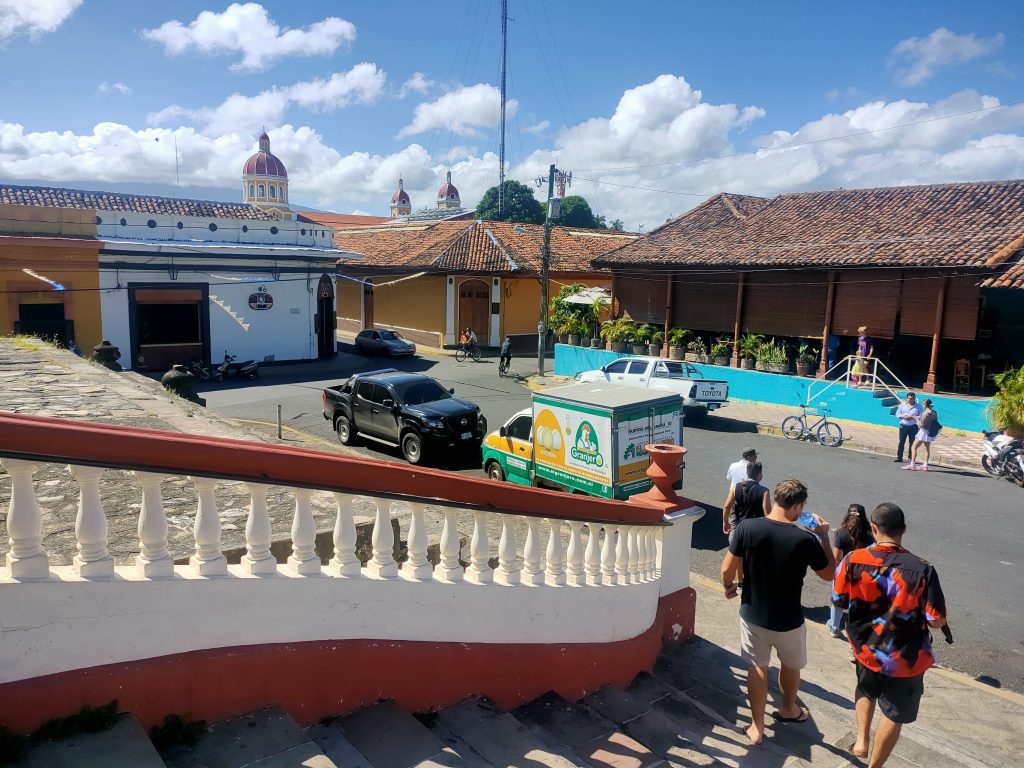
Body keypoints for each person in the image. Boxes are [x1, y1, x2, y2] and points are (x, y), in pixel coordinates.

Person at [721, 479, 836, 746]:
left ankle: (757, 728)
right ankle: (788, 709)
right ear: (797, 506)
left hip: (753, 614)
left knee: (757, 667)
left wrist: (729, 587)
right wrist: (823, 535)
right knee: (790, 665)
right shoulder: (805, 538)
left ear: (775, 499)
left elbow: (727, 568)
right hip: (789, 620)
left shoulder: (747, 528)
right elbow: (830, 573)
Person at [832, 503, 947, 767]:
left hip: (864, 650)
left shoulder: (852, 560)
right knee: (894, 713)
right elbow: (937, 619)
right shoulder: (922, 569)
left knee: (865, 689)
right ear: (903, 530)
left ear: (873, 528)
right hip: (904, 658)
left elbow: (838, 600)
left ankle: (861, 741)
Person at [825, 504, 874, 639]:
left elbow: (835, 558)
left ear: (847, 516)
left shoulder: (841, 533)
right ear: (864, 517)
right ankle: (854, 630)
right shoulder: (870, 534)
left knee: (838, 600)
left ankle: (834, 627)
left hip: (844, 571)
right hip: (863, 573)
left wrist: (834, 574)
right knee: (858, 602)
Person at [722, 461, 771, 544]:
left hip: (738, 528)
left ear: (748, 473)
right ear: (759, 475)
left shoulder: (735, 487)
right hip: (755, 530)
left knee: (734, 552)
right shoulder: (764, 491)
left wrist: (726, 522)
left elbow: (727, 507)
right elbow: (767, 513)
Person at [904, 399, 937, 471]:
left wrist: (916, 420)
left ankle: (912, 464)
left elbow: (921, 424)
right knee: (927, 448)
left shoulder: (925, 413)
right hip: (930, 432)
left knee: (913, 447)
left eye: (923, 403)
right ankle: (925, 465)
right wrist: (915, 417)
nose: (922, 405)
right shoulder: (934, 412)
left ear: (925, 404)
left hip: (923, 432)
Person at [893, 393, 922, 463]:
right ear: (907, 398)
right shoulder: (902, 405)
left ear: (915, 398)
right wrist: (903, 416)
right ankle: (899, 457)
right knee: (901, 442)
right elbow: (897, 414)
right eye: (909, 398)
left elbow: (921, 416)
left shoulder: (918, 406)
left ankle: (910, 458)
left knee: (912, 443)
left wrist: (912, 417)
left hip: (913, 427)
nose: (911, 400)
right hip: (903, 426)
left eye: (912, 398)